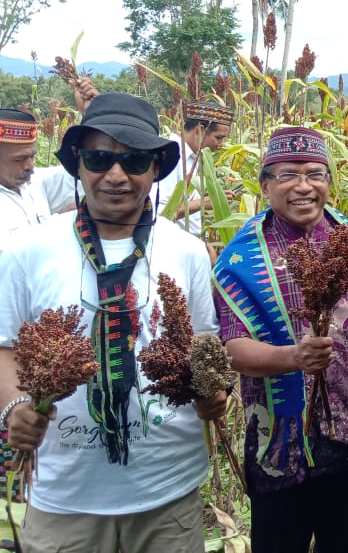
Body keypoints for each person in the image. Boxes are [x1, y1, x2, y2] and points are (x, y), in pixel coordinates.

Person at [0, 92, 227, 552]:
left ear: (155, 170)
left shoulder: (186, 250)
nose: (117, 176)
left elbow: (204, 340)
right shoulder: (27, 250)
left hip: (167, 491)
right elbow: (5, 345)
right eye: (100, 158)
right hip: (66, 496)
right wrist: (14, 405)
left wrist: (214, 390)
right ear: (78, 165)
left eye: (135, 161)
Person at [213, 127, 348, 553]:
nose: (303, 186)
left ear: (329, 182)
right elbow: (232, 349)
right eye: (286, 175)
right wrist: (292, 357)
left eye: (315, 174)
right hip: (279, 447)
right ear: (264, 185)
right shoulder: (241, 259)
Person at [0, 78, 97, 236]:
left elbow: (87, 170)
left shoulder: (33, 183)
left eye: (32, 156)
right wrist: (60, 221)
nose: (30, 166)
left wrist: (92, 113)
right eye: (19, 159)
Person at [157, 100, 235, 237]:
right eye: (218, 138)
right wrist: (205, 202)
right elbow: (162, 213)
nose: (221, 144)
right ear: (199, 130)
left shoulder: (194, 157)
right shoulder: (171, 158)